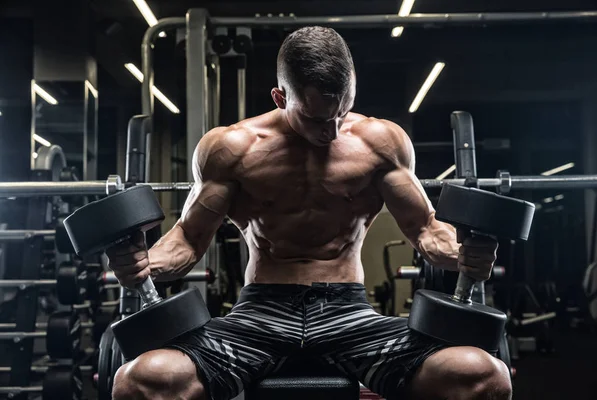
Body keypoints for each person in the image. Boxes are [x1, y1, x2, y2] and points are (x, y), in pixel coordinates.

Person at [108, 27, 510, 400]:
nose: (332, 132)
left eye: (342, 112)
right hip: (260, 315)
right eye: (317, 119)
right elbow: (188, 239)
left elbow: (424, 229)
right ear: (281, 98)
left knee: (484, 375)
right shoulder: (230, 149)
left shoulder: (381, 143)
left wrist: (462, 254)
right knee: (139, 381)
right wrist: (146, 263)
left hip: (349, 314)